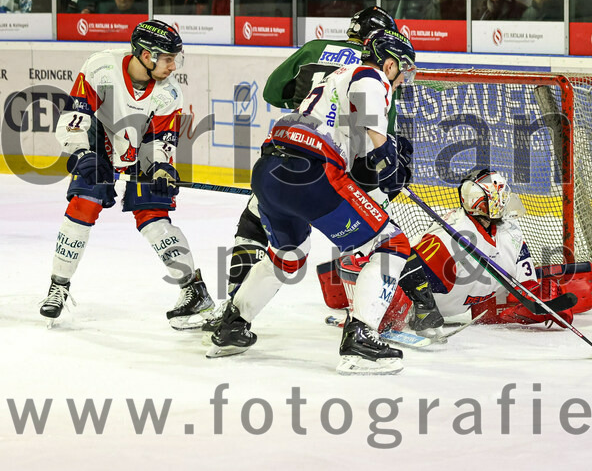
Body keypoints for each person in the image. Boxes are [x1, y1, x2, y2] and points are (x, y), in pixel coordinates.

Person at [207, 29, 427, 375]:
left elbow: (354, 152)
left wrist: (380, 164)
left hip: (269, 169)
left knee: (287, 259)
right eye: (405, 71)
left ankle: (232, 324)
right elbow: (370, 118)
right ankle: (361, 338)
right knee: (393, 242)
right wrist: (387, 157)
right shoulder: (371, 75)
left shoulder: (334, 79)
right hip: (311, 172)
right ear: (389, 63)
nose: (403, 81)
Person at [40, 20, 214, 329]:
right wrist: (83, 154)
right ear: (147, 56)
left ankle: (193, 291)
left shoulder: (168, 93)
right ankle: (59, 286)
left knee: (153, 217)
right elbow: (74, 116)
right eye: (169, 58)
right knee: (84, 203)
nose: (174, 66)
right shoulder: (100, 68)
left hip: (141, 143)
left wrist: (161, 165)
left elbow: (162, 138)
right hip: (99, 138)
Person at [332, 169, 592, 337]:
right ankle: (364, 303)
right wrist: (417, 311)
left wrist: (537, 303)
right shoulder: (451, 235)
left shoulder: (512, 230)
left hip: (468, 304)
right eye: (497, 198)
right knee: (396, 298)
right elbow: (408, 275)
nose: (502, 203)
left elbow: (525, 285)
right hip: (436, 303)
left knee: (544, 293)